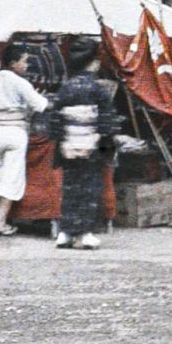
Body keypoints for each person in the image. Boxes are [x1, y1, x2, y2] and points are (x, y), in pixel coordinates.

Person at [47, 39, 120, 249]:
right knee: (89, 189)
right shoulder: (99, 90)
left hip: (68, 145)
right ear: (94, 63)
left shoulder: (64, 89)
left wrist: (63, 142)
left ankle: (66, 232)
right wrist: (101, 141)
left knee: (70, 188)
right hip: (91, 144)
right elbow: (106, 122)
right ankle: (85, 233)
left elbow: (55, 121)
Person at [0, 42, 49, 236]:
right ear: (13, 63)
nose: (26, 65)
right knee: (12, 176)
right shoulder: (20, 83)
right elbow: (40, 105)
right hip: (15, 131)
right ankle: (1, 221)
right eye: (24, 61)